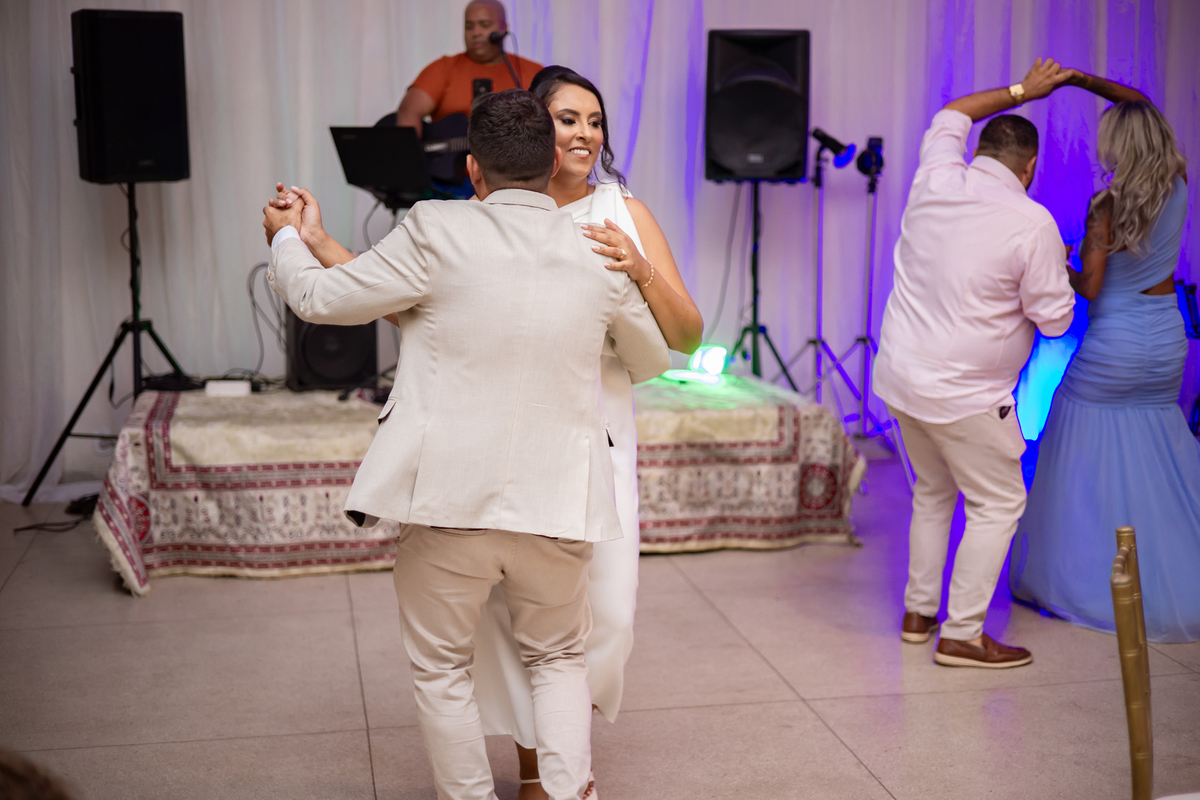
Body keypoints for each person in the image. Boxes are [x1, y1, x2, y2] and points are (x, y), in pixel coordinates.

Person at [263, 89, 671, 800]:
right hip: (558, 502)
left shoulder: (434, 227)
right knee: (559, 660)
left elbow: (320, 300)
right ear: (551, 166)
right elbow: (650, 359)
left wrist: (287, 239)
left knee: (442, 668)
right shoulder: (596, 248)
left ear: (473, 169)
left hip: (446, 499)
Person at [469, 66, 702, 800]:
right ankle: (544, 770)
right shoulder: (496, 207)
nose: (585, 134)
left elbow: (689, 336)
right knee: (515, 612)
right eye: (568, 119)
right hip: (513, 432)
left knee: (610, 612)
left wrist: (640, 268)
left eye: (595, 121)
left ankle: (563, 746)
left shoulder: (622, 210)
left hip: (602, 434)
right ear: (534, 128)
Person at [872, 58, 1077, 668]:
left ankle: (918, 614)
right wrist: (1061, 270)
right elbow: (1055, 321)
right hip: (966, 397)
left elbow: (951, 113)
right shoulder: (1032, 222)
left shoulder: (935, 176)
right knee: (997, 504)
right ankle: (962, 634)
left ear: (980, 150)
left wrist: (1022, 90)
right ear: (1029, 168)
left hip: (901, 378)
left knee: (933, 493)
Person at [1009, 91, 1200, 643]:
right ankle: (1173, 578)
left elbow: (1090, 288)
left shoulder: (1105, 205)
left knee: (1079, 442)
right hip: (1166, 338)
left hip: (1114, 341)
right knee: (1155, 446)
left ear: (1119, 144)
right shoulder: (1180, 186)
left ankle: (1087, 579)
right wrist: (1082, 78)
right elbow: (1140, 102)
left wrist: (1063, 263)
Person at [396, 0, 542, 136]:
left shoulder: (533, 72)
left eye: (485, 25)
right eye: (469, 27)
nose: (476, 33)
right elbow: (409, 110)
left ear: (504, 29)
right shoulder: (445, 68)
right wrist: (410, 152)